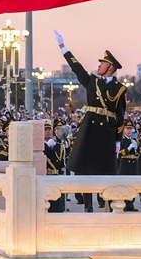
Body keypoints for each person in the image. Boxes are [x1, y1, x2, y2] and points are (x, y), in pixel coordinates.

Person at [54, 30, 127, 212]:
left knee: (107, 171)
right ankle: (88, 206)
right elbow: (77, 68)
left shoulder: (120, 89)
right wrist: (63, 47)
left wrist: (118, 141)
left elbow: (120, 116)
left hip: (107, 132)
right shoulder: (92, 82)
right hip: (90, 129)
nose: (99, 65)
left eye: (102, 63)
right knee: (85, 169)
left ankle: (110, 204)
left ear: (110, 67)